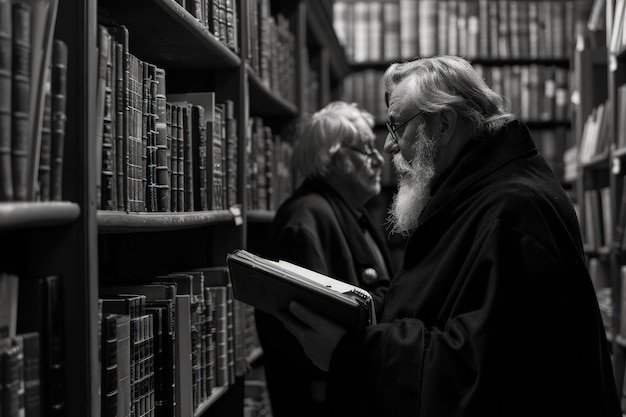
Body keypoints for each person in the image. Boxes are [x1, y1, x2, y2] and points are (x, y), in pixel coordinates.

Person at [277, 56, 622, 417]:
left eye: (397, 128)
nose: (389, 147)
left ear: (443, 124)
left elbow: (480, 375)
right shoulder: (479, 194)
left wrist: (351, 352)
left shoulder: (514, 210)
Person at [255, 101, 396, 417]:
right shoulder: (306, 218)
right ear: (332, 158)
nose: (378, 159)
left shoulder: (348, 210)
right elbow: (311, 327)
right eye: (365, 150)